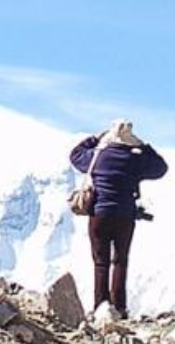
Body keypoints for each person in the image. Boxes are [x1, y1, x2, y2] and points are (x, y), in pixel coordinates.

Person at [69, 119, 168, 320]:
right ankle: (119, 307)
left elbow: (75, 155)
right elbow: (161, 167)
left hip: (99, 213)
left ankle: (100, 306)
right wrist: (142, 145)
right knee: (120, 261)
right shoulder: (134, 160)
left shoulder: (96, 157)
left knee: (100, 262)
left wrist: (96, 138)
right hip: (125, 215)